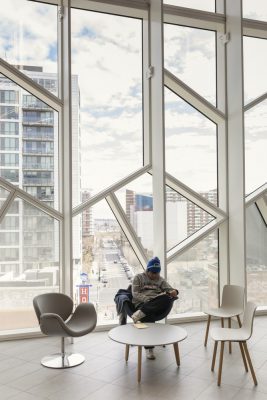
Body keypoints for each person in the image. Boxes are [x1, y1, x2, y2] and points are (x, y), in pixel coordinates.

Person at [131, 256, 179, 359]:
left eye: (157, 273)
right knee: (150, 315)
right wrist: (148, 301)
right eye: (153, 273)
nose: (155, 275)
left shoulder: (160, 280)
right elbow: (135, 294)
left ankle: (140, 314)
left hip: (155, 303)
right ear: (147, 270)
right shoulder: (138, 278)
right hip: (142, 303)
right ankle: (149, 349)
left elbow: (171, 290)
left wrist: (175, 291)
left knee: (166, 297)